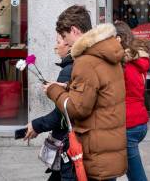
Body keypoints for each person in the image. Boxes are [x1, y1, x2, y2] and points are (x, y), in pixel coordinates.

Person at [46, 22, 127, 181]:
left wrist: (53, 91)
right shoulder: (108, 54)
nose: (65, 43)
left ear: (74, 30)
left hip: (94, 151)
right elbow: (100, 90)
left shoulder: (86, 61)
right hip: (108, 147)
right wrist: (70, 87)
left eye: (64, 37)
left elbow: (78, 109)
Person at [24, 32, 76, 181]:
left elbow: (62, 114)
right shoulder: (71, 67)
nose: (55, 46)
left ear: (68, 43)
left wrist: (36, 125)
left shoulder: (68, 70)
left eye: (58, 41)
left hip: (68, 142)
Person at [114, 20, 150, 181]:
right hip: (139, 121)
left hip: (128, 124)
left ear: (118, 39)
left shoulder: (123, 64)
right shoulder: (138, 59)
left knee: (136, 177)